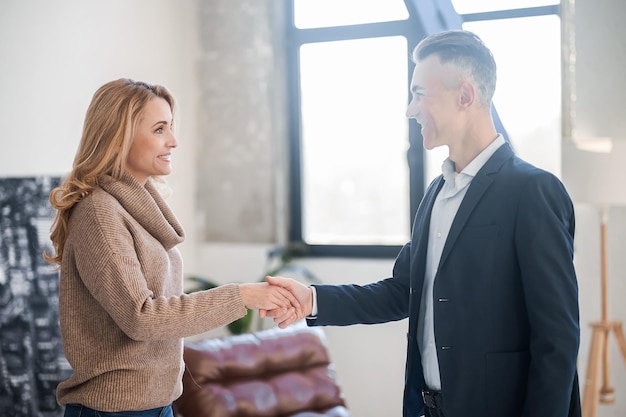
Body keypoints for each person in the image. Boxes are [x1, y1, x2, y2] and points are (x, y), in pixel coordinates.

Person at [264, 30, 581, 417]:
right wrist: (311, 299)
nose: (410, 110)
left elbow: (557, 340)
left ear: (465, 96)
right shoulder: (436, 194)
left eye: (419, 94)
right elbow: (402, 292)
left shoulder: (533, 191)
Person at [44, 78, 300, 417]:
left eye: (171, 128)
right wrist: (243, 296)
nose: (174, 142)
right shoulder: (100, 213)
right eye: (160, 129)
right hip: (116, 411)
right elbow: (141, 318)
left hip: (156, 404)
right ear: (119, 136)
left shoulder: (134, 206)